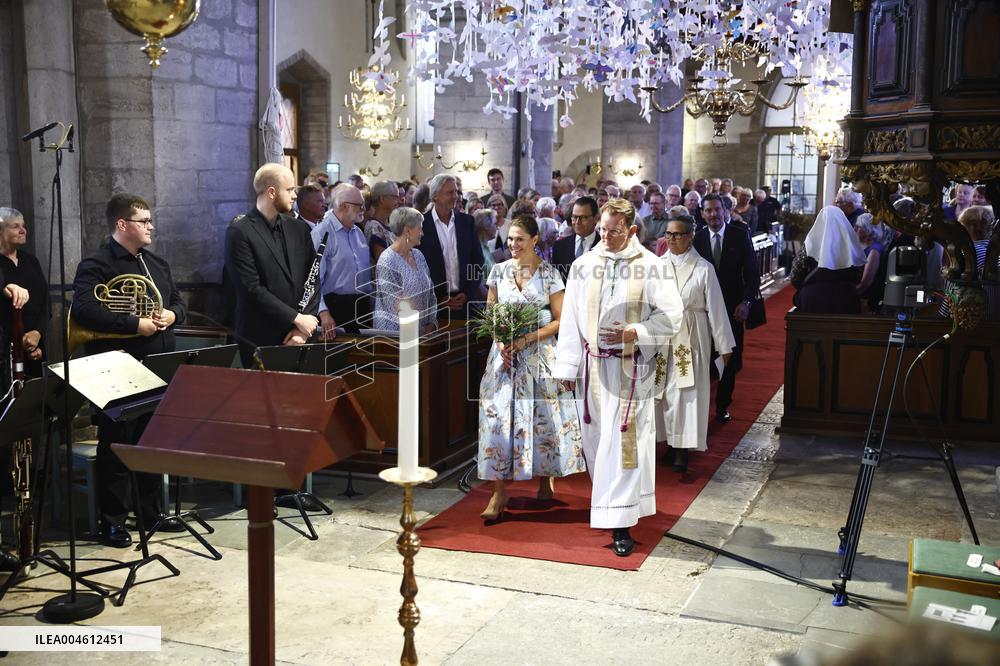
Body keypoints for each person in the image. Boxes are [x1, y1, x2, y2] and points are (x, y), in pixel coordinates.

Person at [553, 199, 683, 556]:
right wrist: (567, 367)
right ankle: (611, 506)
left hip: (631, 370)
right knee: (596, 444)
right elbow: (570, 321)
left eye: (614, 231)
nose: (606, 236)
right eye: (603, 230)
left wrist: (636, 331)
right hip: (593, 368)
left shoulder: (652, 267)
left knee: (626, 444)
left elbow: (673, 316)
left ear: (632, 230)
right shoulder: (583, 265)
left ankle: (621, 525)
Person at [71, 193, 187, 547]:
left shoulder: (157, 264)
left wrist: (171, 315)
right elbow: (87, 311)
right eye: (144, 221)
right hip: (116, 369)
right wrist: (134, 324)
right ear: (122, 224)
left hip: (156, 367)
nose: (151, 227)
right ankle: (113, 522)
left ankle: (150, 515)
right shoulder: (96, 265)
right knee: (117, 446)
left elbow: (179, 303)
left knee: (150, 443)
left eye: (151, 221)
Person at [477, 216, 585, 520]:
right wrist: (501, 343)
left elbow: (560, 320)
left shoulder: (549, 274)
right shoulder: (498, 271)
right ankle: (498, 492)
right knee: (497, 419)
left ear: (535, 240)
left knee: (541, 419)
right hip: (504, 359)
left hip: (537, 355)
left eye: (519, 239)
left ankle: (544, 476)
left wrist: (526, 339)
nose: (512, 245)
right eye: (510, 239)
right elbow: (490, 313)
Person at [656, 218, 735, 473]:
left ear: (690, 236)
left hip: (690, 336)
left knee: (685, 394)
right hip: (663, 338)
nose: (672, 239)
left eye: (677, 235)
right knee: (664, 394)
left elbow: (717, 309)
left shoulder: (703, 268)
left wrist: (724, 346)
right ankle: (669, 443)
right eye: (668, 234)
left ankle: (683, 450)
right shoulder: (657, 266)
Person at [225, 164, 320, 366]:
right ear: (271, 192)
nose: (295, 195)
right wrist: (296, 318)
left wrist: (303, 327)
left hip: (300, 335)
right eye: (290, 189)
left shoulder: (299, 228)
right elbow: (251, 289)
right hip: (259, 336)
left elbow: (313, 279)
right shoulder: (240, 232)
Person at [693, 193, 759, 424]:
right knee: (704, 359)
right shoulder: (697, 239)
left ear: (725, 211)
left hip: (732, 309)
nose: (713, 214)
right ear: (702, 214)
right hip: (703, 309)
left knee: (729, 359)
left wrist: (747, 302)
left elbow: (752, 274)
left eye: (717, 210)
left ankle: (722, 405)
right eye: (708, 210)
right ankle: (700, 405)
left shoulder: (739, 235)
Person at [312, 183, 374, 335]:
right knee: (340, 357)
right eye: (359, 205)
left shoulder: (358, 232)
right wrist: (323, 312)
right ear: (344, 206)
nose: (363, 209)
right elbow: (313, 279)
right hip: (335, 309)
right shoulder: (322, 233)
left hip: (362, 307)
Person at [420, 174, 485, 318]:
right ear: (435, 196)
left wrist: (467, 293)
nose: (455, 196)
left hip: (465, 303)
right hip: (434, 306)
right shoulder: (421, 224)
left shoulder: (467, 222)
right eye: (450, 192)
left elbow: (478, 261)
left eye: (456, 192)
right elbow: (418, 268)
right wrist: (437, 298)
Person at [372, 207, 437, 333]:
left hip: (423, 334)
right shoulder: (387, 260)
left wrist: (432, 323)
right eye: (420, 229)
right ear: (407, 230)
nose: (422, 233)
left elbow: (431, 294)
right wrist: (421, 330)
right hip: (395, 337)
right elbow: (393, 305)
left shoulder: (418, 255)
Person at [790, 206, 864, 314]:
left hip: (812, 296)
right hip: (845, 297)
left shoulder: (810, 245)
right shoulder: (851, 245)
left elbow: (795, 276)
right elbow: (859, 274)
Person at [0, 208, 47, 377]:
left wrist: (37, 333)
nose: (23, 230)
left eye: (24, 225)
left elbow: (45, 302)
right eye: (15, 226)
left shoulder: (30, 260)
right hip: (5, 353)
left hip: (34, 348)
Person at [551, 196, 600, 282]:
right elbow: (555, 283)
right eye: (574, 217)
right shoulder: (560, 247)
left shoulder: (604, 246)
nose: (577, 222)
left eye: (583, 217)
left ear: (596, 218)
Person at [855, 213, 888, 312]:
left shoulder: (874, 250)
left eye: (858, 227)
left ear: (867, 229)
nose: (854, 229)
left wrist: (850, 295)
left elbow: (866, 283)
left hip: (867, 301)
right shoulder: (861, 246)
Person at [363, 180, 401, 264]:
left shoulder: (389, 224)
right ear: (382, 199)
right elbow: (383, 261)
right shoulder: (374, 226)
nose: (398, 201)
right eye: (395, 197)